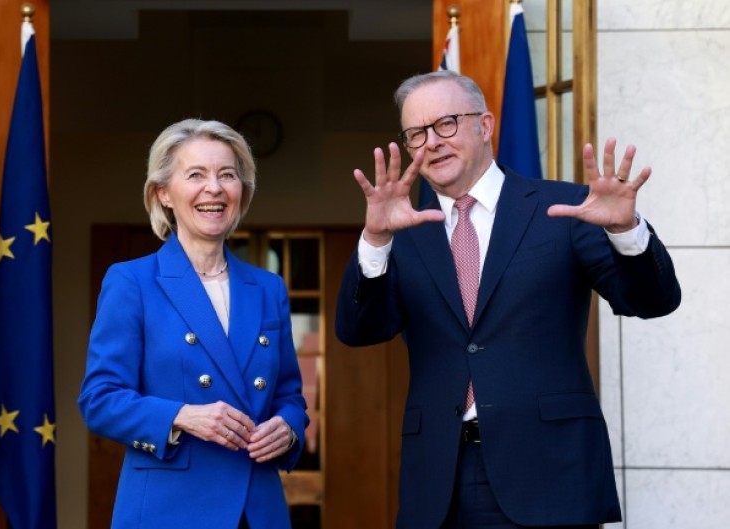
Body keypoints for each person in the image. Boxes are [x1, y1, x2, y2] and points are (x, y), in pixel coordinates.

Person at [335, 71, 681, 529]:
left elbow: (653, 300)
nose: (432, 143)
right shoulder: (402, 228)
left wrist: (624, 229)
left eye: (446, 124)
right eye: (416, 133)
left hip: (549, 474)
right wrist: (375, 240)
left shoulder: (565, 209)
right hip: (441, 482)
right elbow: (359, 330)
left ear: (486, 125)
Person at [78, 118, 308, 529]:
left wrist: (288, 428)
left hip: (257, 510)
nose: (214, 189)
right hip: (169, 510)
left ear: (242, 192)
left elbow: (289, 394)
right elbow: (99, 399)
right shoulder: (132, 281)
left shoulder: (267, 288)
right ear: (164, 193)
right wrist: (183, 415)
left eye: (227, 175)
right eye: (196, 175)